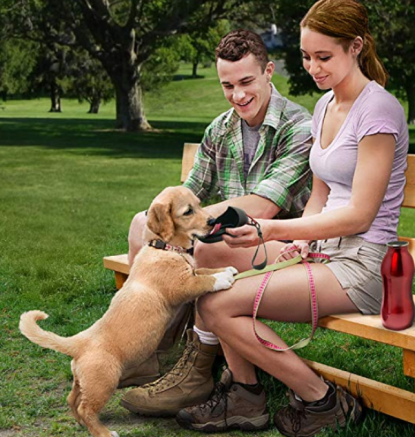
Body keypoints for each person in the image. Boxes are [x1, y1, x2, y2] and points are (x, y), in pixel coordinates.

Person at [174, 0, 409, 437]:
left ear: (355, 47)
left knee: (216, 304)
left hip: (362, 265)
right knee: (209, 252)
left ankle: (322, 400)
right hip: (322, 251)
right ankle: (244, 397)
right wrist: (302, 241)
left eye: (324, 57)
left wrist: (275, 229)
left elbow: (360, 214)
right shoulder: (324, 106)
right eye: (306, 56)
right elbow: (320, 195)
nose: (314, 67)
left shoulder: (378, 111)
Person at [120, 30, 312, 415]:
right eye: (228, 85)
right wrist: (163, 218)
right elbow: (187, 193)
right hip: (228, 238)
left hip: (285, 246)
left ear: (268, 71)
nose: (238, 95)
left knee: (206, 248)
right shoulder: (221, 128)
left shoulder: (298, 127)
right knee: (141, 223)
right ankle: (144, 349)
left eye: (246, 82)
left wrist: (191, 222)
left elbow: (265, 205)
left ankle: (197, 370)